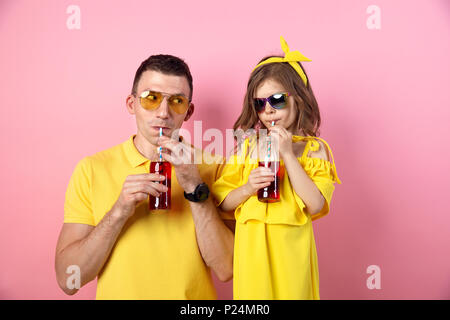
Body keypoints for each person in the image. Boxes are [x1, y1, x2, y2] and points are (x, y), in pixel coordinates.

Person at [55, 54, 235, 299]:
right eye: (151, 98)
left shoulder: (213, 167)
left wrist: (195, 187)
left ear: (189, 111)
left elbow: (227, 268)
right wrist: (118, 211)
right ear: (131, 104)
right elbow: (68, 280)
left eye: (177, 101)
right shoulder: (92, 169)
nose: (163, 113)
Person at [212, 36, 342, 300]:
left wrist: (288, 155)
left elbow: (316, 204)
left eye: (278, 99)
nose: (268, 110)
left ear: (300, 100)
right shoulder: (249, 148)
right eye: (260, 104)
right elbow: (222, 203)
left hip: (291, 254)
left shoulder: (314, 149)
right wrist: (249, 186)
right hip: (252, 256)